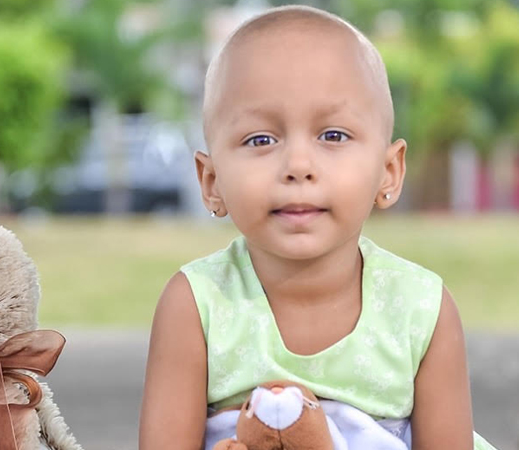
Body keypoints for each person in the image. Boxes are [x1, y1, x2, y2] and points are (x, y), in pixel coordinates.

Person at [139, 5, 496, 450]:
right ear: (211, 182)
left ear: (389, 171)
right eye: (260, 140)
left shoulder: (420, 311)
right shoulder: (197, 305)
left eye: (333, 136)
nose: (298, 166)